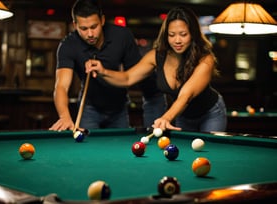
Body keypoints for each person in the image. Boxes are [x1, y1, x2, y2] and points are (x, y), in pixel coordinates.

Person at [85, 6, 227, 132]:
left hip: (210, 114)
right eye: (172, 35)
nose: (177, 40)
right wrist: (103, 71)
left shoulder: (205, 59)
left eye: (183, 34)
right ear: (166, 35)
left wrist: (165, 118)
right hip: (183, 115)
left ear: (193, 35)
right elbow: (128, 78)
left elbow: (186, 96)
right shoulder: (156, 56)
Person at [49, 0, 166, 131]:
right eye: (84, 28)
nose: (90, 34)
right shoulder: (68, 45)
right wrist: (64, 117)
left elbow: (133, 75)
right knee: (87, 148)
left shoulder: (122, 36)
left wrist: (153, 100)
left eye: (94, 27)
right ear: (75, 25)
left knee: (119, 149)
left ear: (102, 20)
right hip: (89, 107)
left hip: (119, 107)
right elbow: (61, 87)